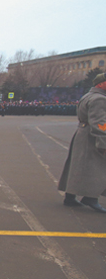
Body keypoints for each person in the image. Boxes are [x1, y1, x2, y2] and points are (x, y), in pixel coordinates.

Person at [58, 72, 106, 212]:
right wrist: (104, 142)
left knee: (76, 166)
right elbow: (100, 123)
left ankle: (70, 197)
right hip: (92, 137)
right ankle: (91, 198)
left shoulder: (88, 96)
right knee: (95, 168)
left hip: (82, 134)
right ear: (100, 84)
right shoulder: (100, 99)